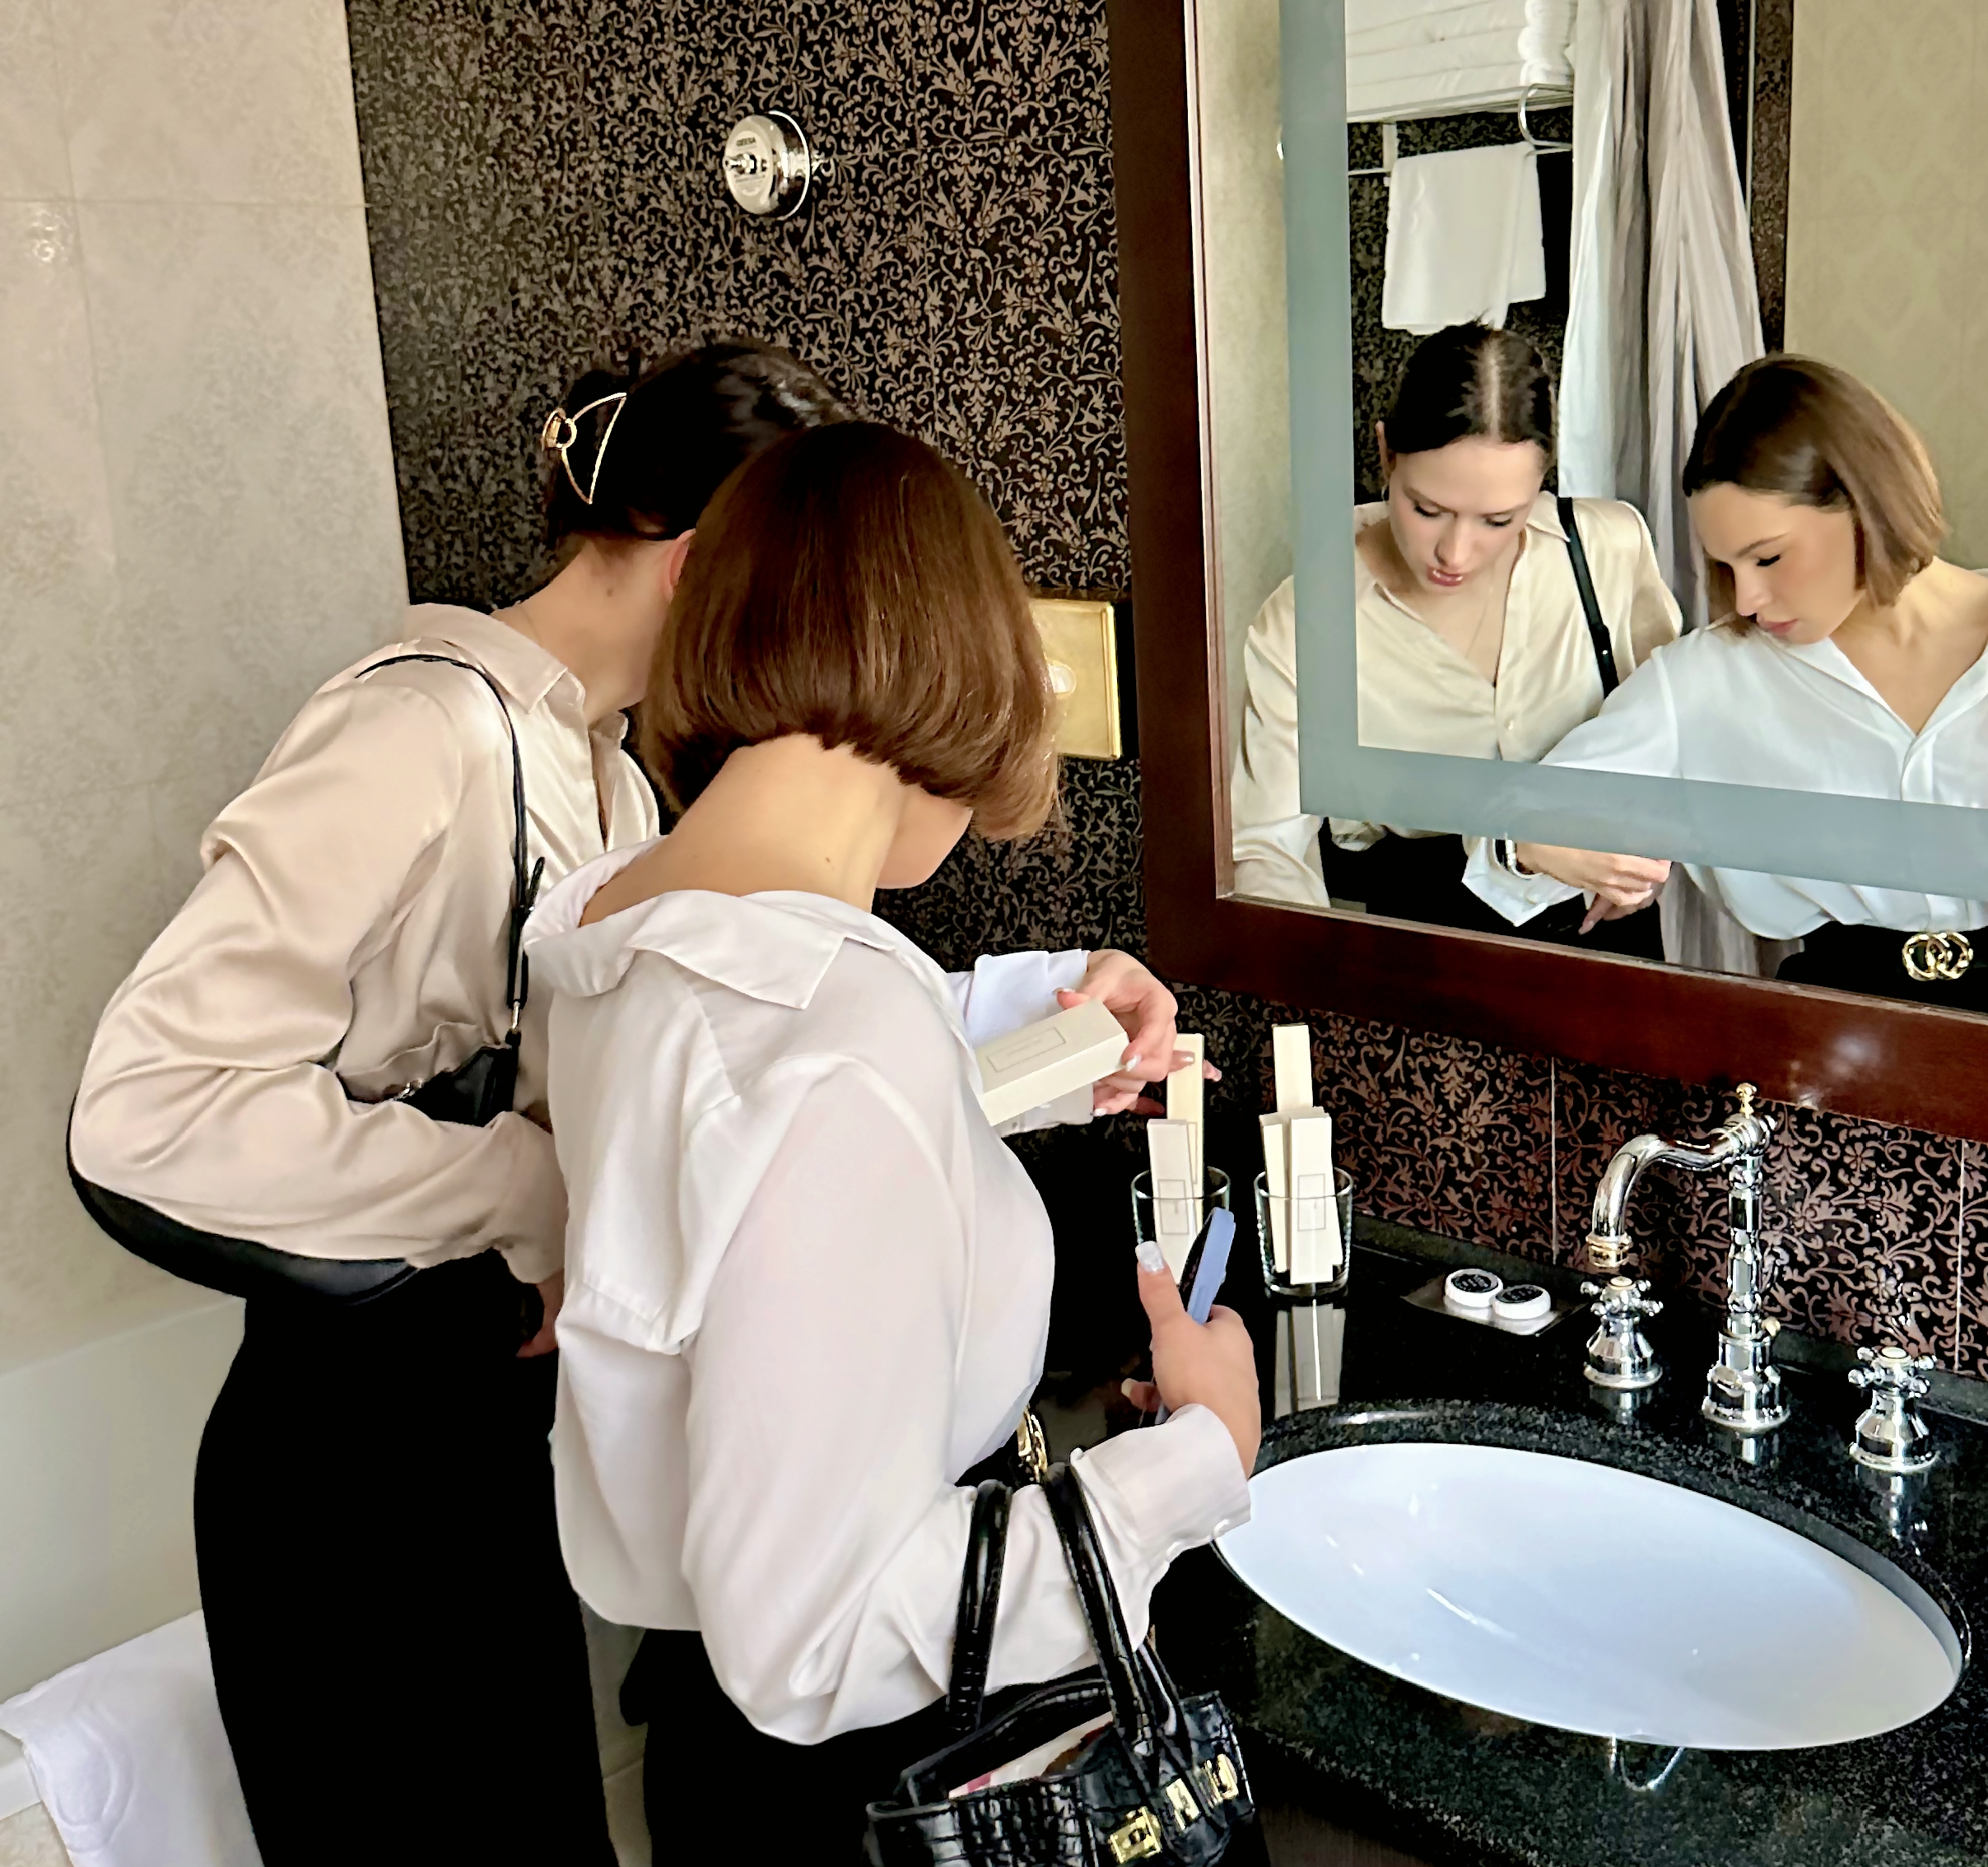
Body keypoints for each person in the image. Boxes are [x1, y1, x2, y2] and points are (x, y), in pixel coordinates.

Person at [66, 342, 1190, 1865]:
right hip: (359, 1448)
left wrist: (1029, 1011)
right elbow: (145, 1109)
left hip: (494, 1426)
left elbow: (729, 1037)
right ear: (703, 569)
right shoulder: (421, 733)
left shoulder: (614, 790)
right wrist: (528, 1191)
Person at [522, 421, 1262, 1859]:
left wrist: (1049, 1039)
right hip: (865, 1785)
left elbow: (753, 1124)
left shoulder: (619, 924)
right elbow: (816, 1637)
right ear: (957, 666)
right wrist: (1198, 1456)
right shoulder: (837, 1038)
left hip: (711, 1767)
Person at [1468, 356, 1988, 1025]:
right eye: (1728, 567)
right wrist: (1535, 847)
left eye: (1769, 558)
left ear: (1866, 503)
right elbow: (1511, 827)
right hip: (1823, 1032)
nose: (1747, 598)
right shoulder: (1707, 680)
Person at [1229, 322, 1680, 950]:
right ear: (1386, 453)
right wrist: (1321, 976)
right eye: (1427, 509)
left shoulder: (1607, 548)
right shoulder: (1309, 617)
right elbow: (1266, 848)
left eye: (1498, 519)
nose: (1455, 553)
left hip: (1611, 938)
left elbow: (1673, 733)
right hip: (1423, 938)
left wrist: (1650, 848)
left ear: (1542, 479)